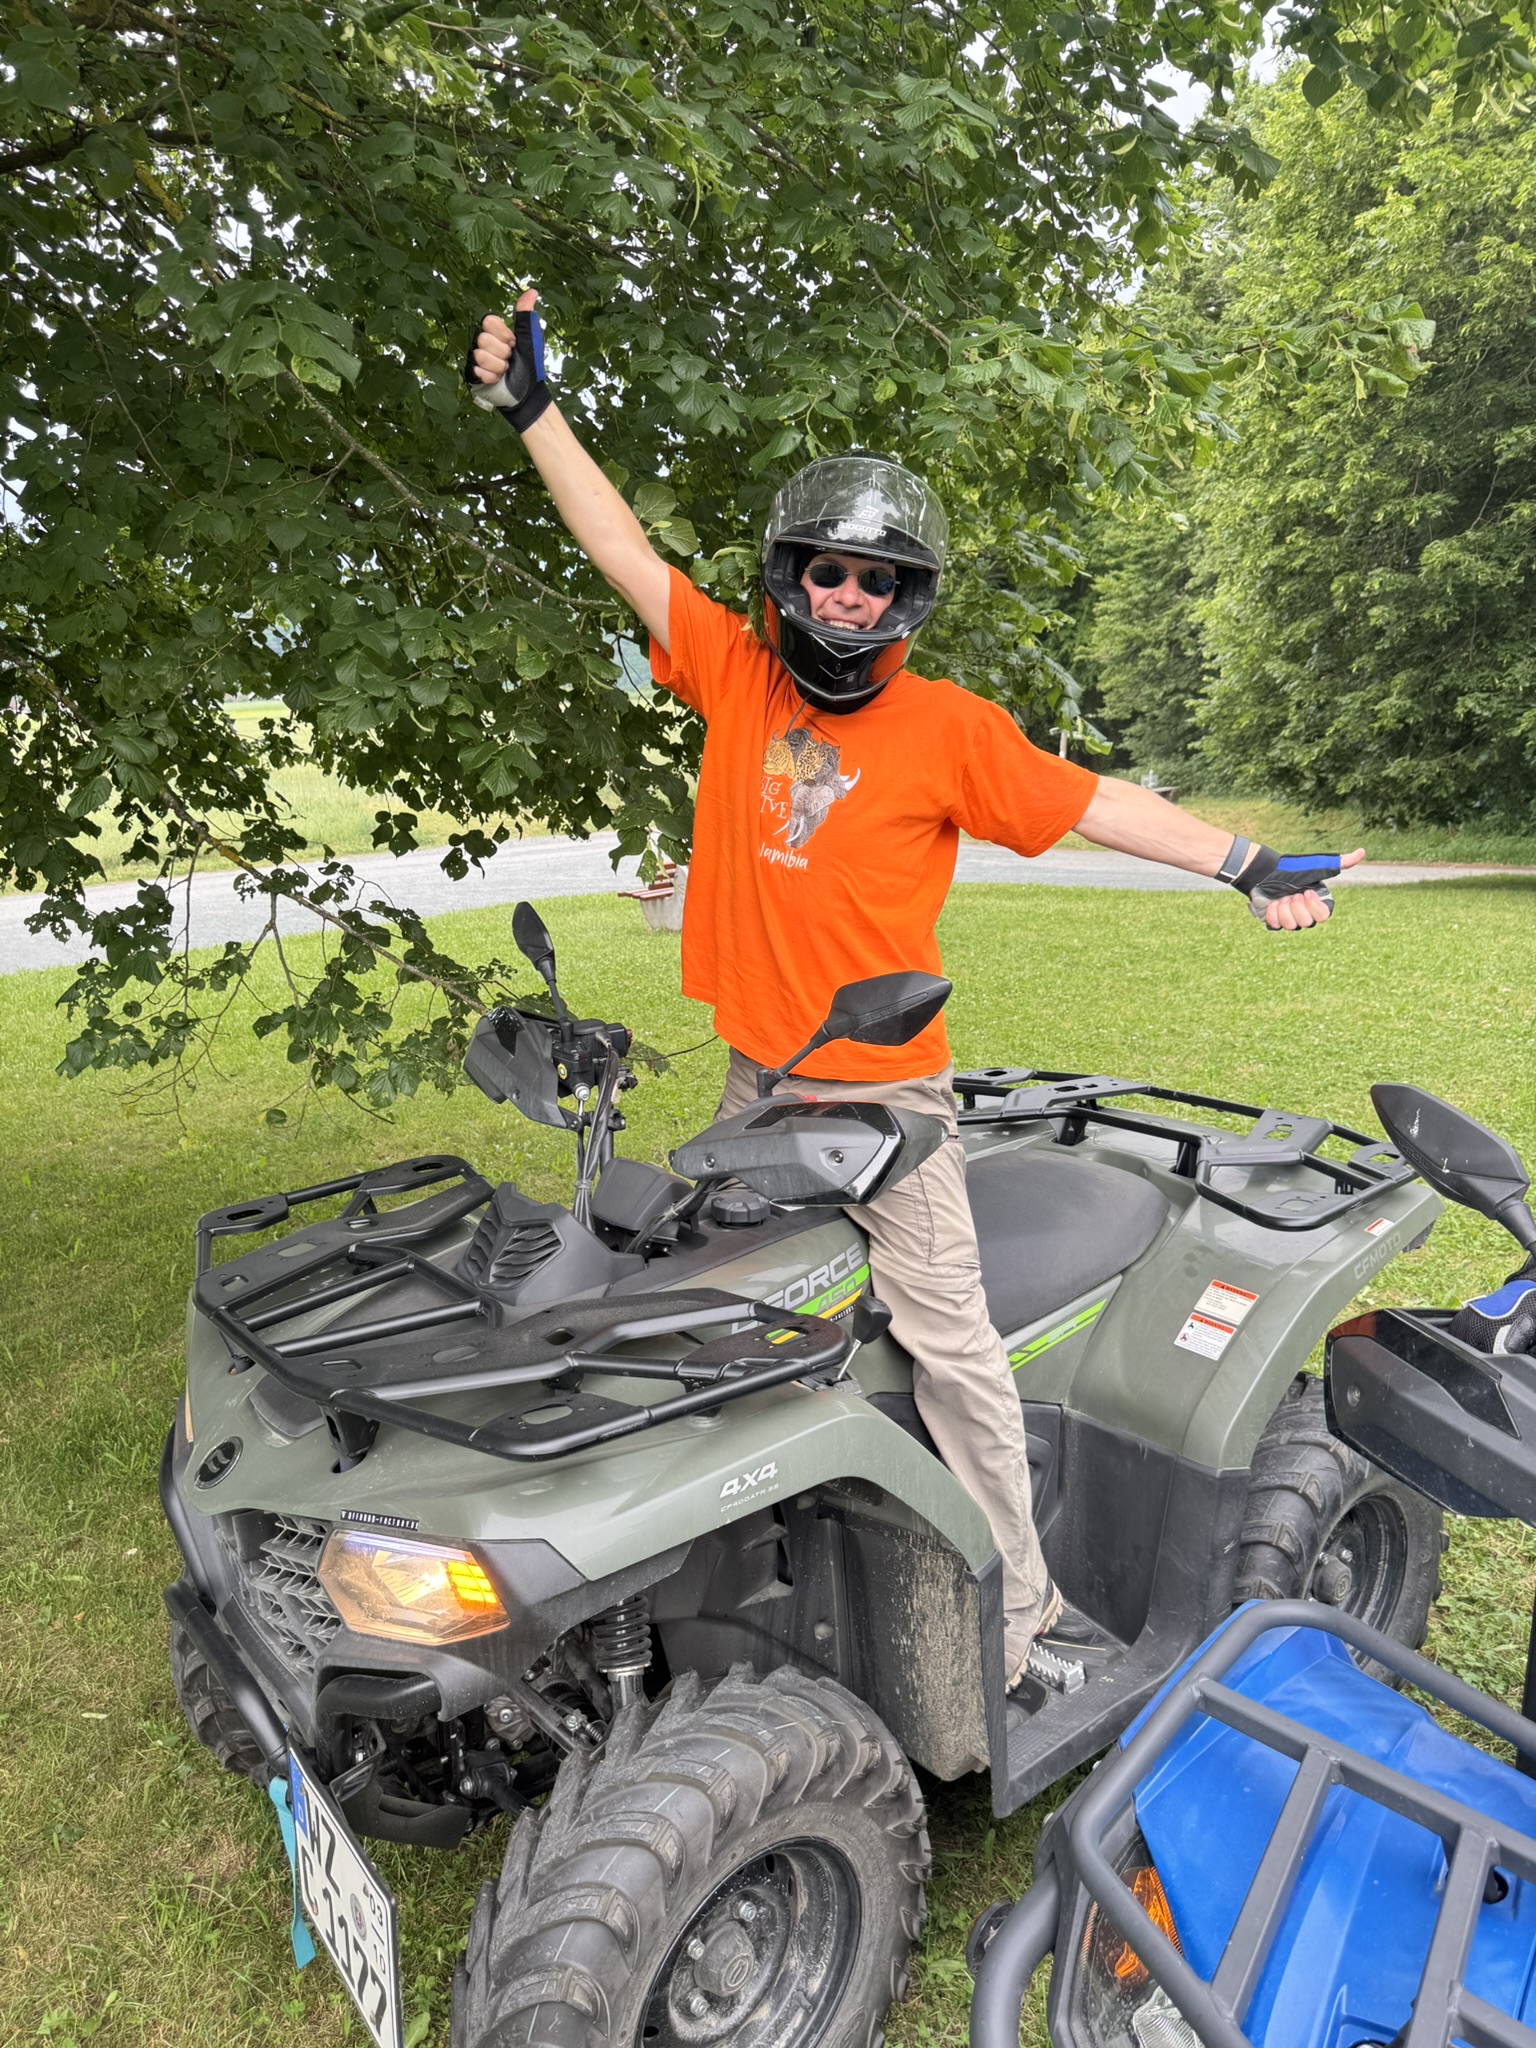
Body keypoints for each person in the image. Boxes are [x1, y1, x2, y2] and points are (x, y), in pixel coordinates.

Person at [467, 295, 1362, 1694]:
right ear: (792, 576)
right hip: (756, 1074)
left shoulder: (948, 729)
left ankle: (1021, 1622)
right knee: (726, 1307)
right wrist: (535, 413)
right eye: (829, 571)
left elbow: (1096, 806)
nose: (849, 598)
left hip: (887, 1097)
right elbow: (619, 549)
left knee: (952, 1346)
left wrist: (1241, 860)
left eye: (877, 583)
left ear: (906, 602)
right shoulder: (738, 675)